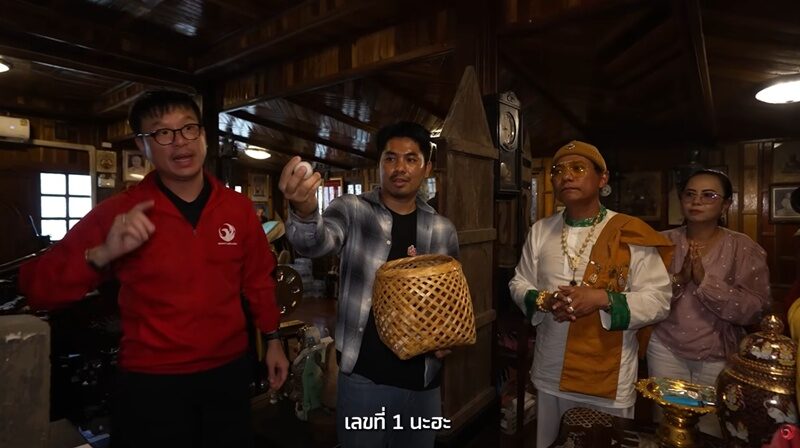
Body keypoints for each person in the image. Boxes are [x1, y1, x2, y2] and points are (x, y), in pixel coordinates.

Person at [19, 90, 288, 448]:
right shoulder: (121, 212)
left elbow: (258, 281)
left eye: (188, 128)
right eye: (162, 132)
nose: (180, 141)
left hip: (227, 375)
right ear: (142, 144)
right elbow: (37, 289)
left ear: (203, 135)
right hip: (150, 382)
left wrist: (273, 340)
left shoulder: (238, 208)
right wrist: (101, 253)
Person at [280, 121, 458, 448]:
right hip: (364, 378)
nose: (399, 167)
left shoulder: (442, 229)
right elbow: (316, 243)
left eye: (411, 159)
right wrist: (305, 210)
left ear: (426, 168)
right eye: (390, 158)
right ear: (379, 164)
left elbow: (450, 299)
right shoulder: (352, 210)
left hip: (423, 381)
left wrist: (447, 338)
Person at [509, 140, 673, 447]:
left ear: (602, 178)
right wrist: (545, 300)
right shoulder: (541, 230)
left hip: (607, 374)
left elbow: (659, 300)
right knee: (551, 441)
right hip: (552, 365)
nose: (566, 176)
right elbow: (519, 283)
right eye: (558, 171)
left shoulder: (629, 231)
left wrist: (602, 299)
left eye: (578, 168)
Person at [647, 169, 769, 437]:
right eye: (689, 194)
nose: (697, 201)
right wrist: (679, 280)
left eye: (708, 195)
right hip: (666, 348)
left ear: (726, 205)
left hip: (719, 354)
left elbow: (755, 308)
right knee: (669, 426)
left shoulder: (742, 247)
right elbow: (644, 296)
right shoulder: (661, 242)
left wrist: (705, 283)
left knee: (711, 429)